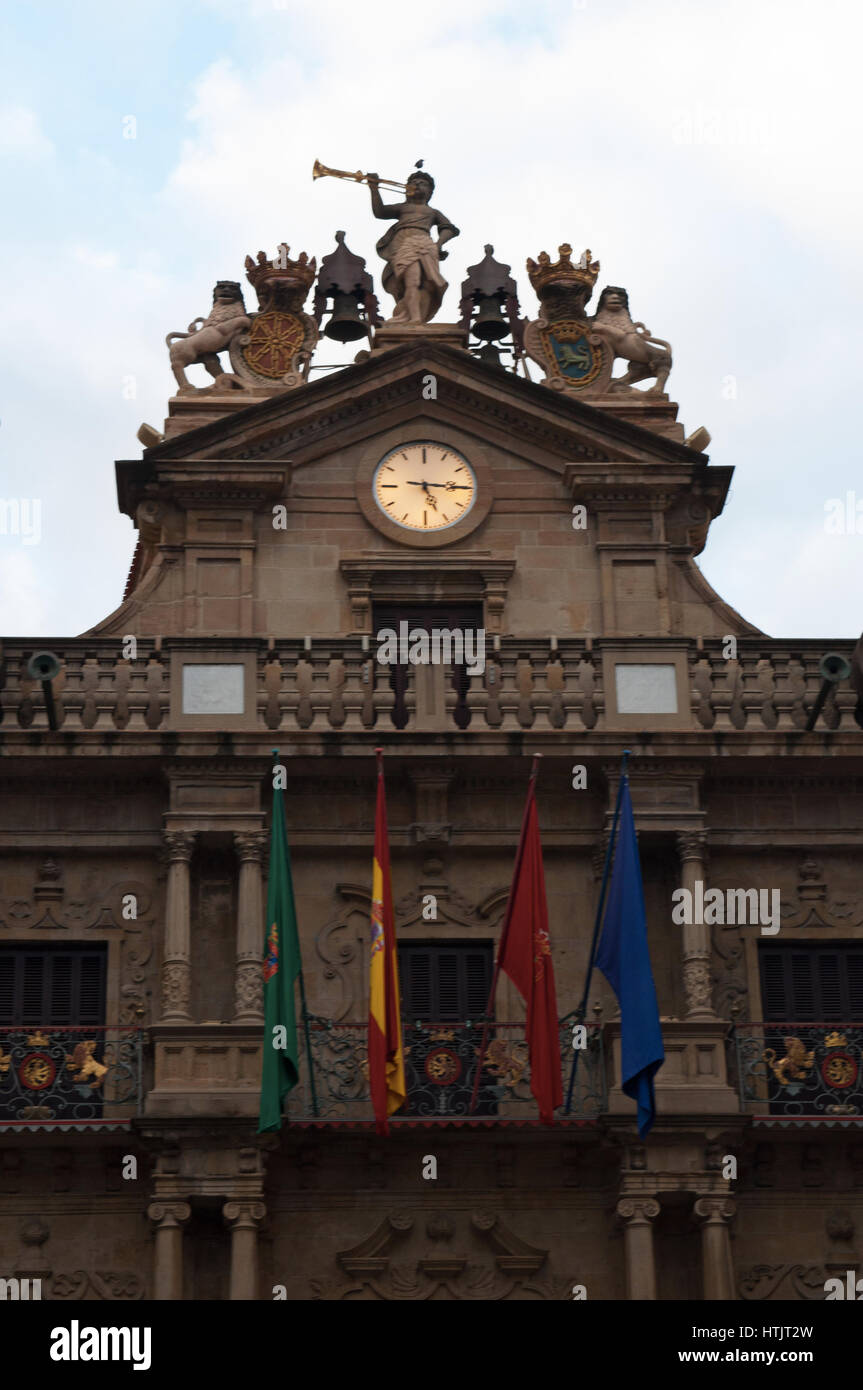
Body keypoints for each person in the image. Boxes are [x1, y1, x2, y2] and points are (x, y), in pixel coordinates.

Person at [367, 170, 459, 324]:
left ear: (430, 192)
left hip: (426, 245)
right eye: (413, 183)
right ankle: (412, 317)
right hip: (403, 244)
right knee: (412, 281)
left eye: (422, 183)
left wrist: (439, 244)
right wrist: (374, 188)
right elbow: (380, 212)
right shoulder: (403, 208)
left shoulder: (432, 212)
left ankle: (415, 315)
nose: (417, 185)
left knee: (428, 283)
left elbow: (449, 228)